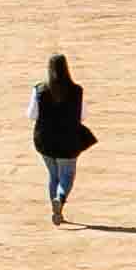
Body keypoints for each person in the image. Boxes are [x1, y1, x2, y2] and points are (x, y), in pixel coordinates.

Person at [31, 52, 94, 224]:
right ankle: (60, 197)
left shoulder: (39, 89)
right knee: (67, 174)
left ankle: (56, 210)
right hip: (68, 140)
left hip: (45, 140)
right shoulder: (76, 90)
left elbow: (31, 114)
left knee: (53, 175)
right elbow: (83, 116)